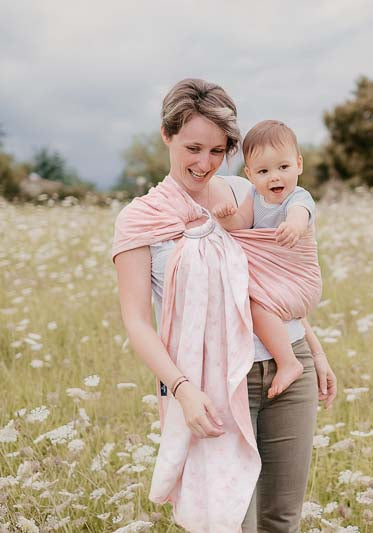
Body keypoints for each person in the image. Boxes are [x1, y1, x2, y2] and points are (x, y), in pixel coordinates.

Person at [111, 78, 337, 532]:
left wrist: (315, 349)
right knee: (231, 522)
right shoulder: (141, 218)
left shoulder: (244, 192)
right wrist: (181, 389)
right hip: (211, 386)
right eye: (194, 148)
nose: (204, 163)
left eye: (218, 151)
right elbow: (136, 321)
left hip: (290, 370)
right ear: (166, 135)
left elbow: (270, 276)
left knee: (282, 519)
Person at [212, 119, 321, 399]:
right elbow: (240, 225)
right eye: (263, 171)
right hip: (273, 281)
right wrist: (226, 217)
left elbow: (300, 215)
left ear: (298, 164)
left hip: (297, 281)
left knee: (257, 307)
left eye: (283, 167)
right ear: (250, 174)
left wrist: (294, 227)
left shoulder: (298, 197)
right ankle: (287, 360)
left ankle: (288, 362)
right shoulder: (253, 196)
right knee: (248, 298)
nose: (274, 177)